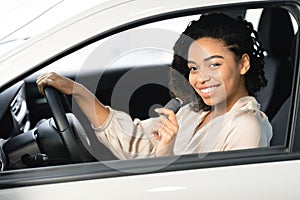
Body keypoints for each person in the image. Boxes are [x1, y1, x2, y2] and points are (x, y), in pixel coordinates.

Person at [37, 13, 273, 159]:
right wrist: (78, 91)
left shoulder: (246, 126)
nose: (201, 78)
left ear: (243, 64)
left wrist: (166, 155)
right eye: (193, 68)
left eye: (214, 65)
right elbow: (134, 140)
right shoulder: (194, 112)